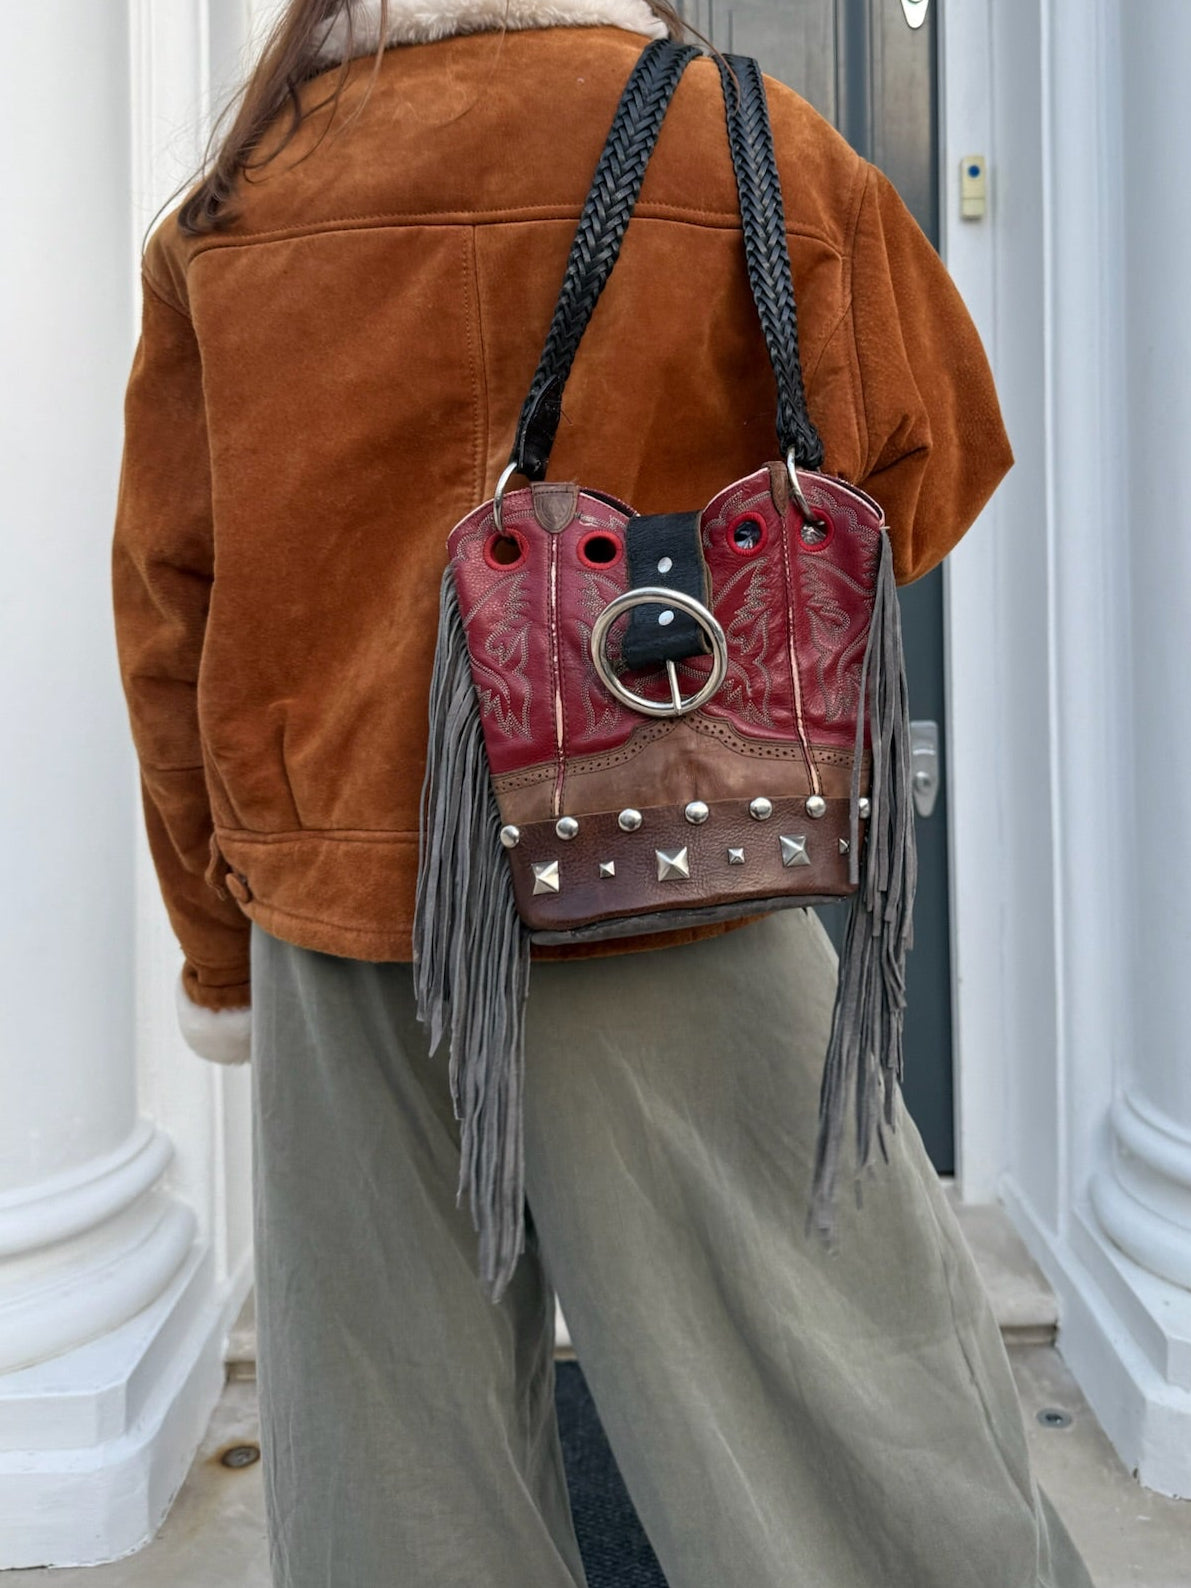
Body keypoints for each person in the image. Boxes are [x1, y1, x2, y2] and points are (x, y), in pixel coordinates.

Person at [111, 3, 1095, 1584]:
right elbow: (929, 464)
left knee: (398, 1470)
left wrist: (218, 954)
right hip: (665, 862)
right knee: (840, 1418)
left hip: (342, 911)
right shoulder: (744, 140)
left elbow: (173, 614)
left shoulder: (240, 200)